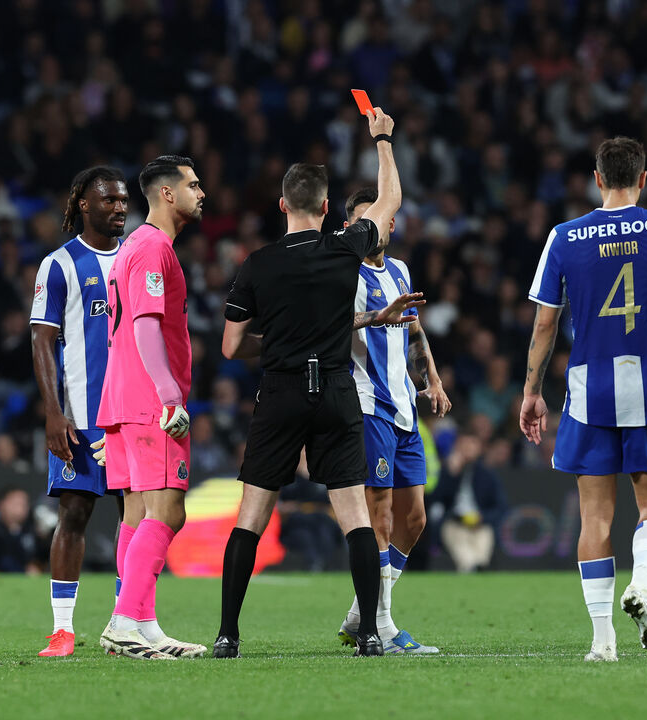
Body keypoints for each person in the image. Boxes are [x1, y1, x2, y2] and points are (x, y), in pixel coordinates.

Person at [214, 107, 410, 658]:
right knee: (354, 517)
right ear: (327, 208)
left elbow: (230, 346)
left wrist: (274, 342)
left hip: (279, 394)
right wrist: (382, 140)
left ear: (283, 205)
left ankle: (228, 635)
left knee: (251, 516)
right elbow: (390, 202)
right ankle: (369, 632)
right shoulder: (345, 246)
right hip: (336, 393)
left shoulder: (256, 264)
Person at [520, 137, 647, 662]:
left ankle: (602, 641)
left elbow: (546, 320)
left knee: (594, 519)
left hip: (589, 390)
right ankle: (642, 584)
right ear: (642, 179)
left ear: (597, 179)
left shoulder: (565, 236)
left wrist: (531, 391)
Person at [95, 155, 207, 660]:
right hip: (149, 402)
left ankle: (141, 623)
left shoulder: (132, 247)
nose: (201, 193)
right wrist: (167, 396)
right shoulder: (153, 247)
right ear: (167, 193)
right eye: (193, 184)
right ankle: (124, 620)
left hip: (124, 399)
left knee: (137, 515)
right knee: (168, 511)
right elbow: (143, 324)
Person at [336, 186, 450, 655]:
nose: (373, 227)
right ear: (349, 227)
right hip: (368, 405)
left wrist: (434, 379)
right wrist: (376, 317)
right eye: (362, 220)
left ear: (391, 224)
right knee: (380, 512)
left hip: (404, 406)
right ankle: (382, 624)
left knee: (415, 518)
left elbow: (415, 328)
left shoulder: (400, 270)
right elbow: (333, 325)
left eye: (379, 219)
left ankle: (361, 613)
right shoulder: (344, 272)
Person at [30, 165, 129, 657]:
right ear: (84, 204)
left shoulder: (138, 258)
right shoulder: (60, 264)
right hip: (82, 415)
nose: (120, 207)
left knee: (136, 519)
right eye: (109, 199)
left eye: (124, 200)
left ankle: (125, 624)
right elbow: (42, 340)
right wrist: (53, 413)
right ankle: (63, 630)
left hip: (133, 415)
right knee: (74, 514)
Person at [427, 431, 508, 573]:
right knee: (465, 557)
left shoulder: (487, 475)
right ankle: (470, 568)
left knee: (482, 553)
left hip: (480, 525)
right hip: (454, 523)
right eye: (463, 445)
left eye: (471, 445)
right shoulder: (448, 471)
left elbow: (500, 507)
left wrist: (483, 517)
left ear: (479, 448)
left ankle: (478, 568)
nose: (467, 450)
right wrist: (450, 474)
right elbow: (434, 499)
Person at [0, 485, 44, 573]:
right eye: (16, 503)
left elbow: (41, 558)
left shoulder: (34, 532)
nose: (21, 508)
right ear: (2, 505)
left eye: (24, 504)